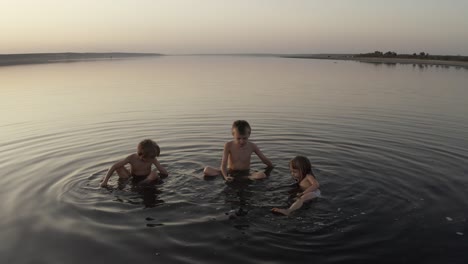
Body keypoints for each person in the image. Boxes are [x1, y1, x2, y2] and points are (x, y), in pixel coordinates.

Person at [203, 120, 274, 181]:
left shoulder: (252, 146)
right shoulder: (228, 145)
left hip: (246, 173)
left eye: (244, 138)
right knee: (207, 170)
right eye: (238, 138)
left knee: (261, 175)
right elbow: (223, 164)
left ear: (249, 134)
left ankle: (243, 178)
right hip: (230, 171)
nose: (242, 141)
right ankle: (236, 178)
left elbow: (264, 159)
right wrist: (225, 177)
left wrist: (271, 166)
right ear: (233, 135)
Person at [100, 139, 168, 188]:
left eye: (153, 157)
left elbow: (161, 169)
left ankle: (142, 183)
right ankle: (128, 184)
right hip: (132, 177)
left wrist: (165, 175)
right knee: (119, 167)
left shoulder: (152, 159)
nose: (152, 159)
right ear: (141, 155)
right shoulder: (132, 158)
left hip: (146, 178)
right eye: (149, 158)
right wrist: (105, 181)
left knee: (154, 173)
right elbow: (114, 166)